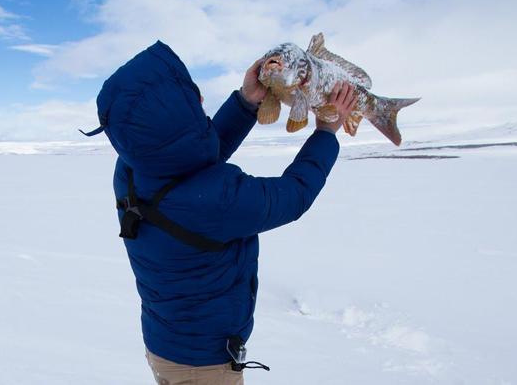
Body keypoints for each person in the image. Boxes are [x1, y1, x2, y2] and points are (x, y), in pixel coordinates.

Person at [90, 40, 357, 385]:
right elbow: (294, 195)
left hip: (163, 344)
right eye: (191, 97)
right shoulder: (216, 201)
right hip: (205, 367)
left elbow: (188, 156)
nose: (200, 100)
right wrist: (326, 131)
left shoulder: (130, 168)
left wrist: (246, 102)